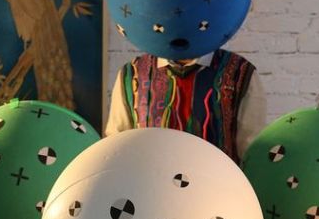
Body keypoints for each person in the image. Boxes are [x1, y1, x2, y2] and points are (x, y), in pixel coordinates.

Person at [104, 49, 266, 162]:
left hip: (217, 192)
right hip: (150, 191)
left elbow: (251, 151)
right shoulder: (133, 74)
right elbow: (117, 145)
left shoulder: (240, 73)